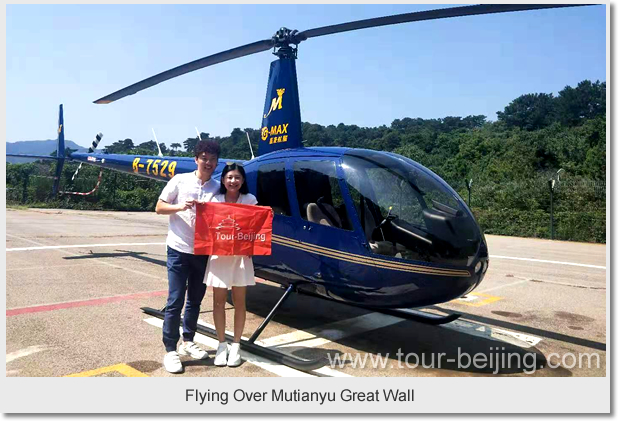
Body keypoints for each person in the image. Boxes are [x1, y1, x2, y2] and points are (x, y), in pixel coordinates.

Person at [155, 140, 220, 374]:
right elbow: (159, 207)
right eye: (204, 158)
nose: (208, 162)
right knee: (175, 300)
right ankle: (170, 349)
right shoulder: (180, 180)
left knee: (195, 300)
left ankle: (188, 341)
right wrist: (181, 207)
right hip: (178, 249)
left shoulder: (217, 188)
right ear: (196, 159)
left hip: (203, 252)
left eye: (212, 159)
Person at [204, 163, 257, 367]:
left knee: (239, 303)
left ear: (242, 181)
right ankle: (221, 345)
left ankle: (236, 345)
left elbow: (256, 227)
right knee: (218, 302)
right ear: (223, 180)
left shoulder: (250, 200)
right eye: (229, 177)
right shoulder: (215, 200)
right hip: (219, 257)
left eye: (237, 177)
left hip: (241, 258)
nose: (233, 181)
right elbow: (206, 225)